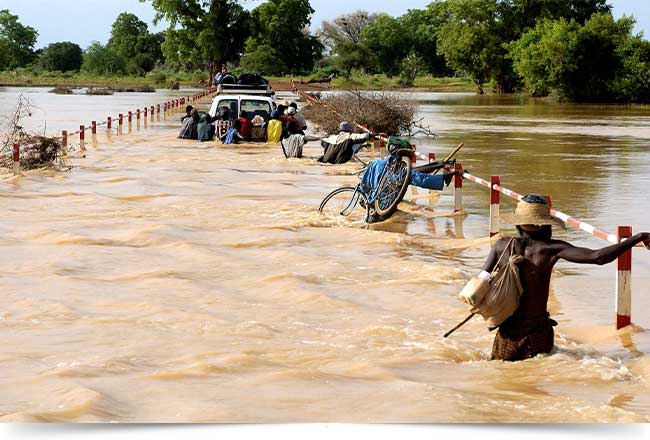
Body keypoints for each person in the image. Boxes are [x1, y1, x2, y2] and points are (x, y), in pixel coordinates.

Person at [480, 194, 650, 362]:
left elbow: (480, 282)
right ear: (545, 224)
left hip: (507, 331)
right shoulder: (551, 249)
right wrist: (638, 238)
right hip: (537, 332)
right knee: (538, 379)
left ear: (518, 222)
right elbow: (598, 257)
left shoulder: (501, 244)